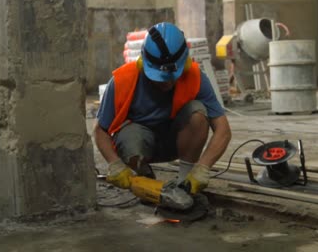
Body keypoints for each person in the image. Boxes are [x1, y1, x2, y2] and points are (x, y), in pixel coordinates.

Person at [94, 22, 231, 195]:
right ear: (143, 63)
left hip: (175, 143)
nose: (166, 82)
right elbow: (100, 131)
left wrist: (203, 168)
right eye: (159, 77)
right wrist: (114, 164)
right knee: (130, 136)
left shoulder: (195, 78)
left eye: (171, 77)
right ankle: (143, 176)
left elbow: (223, 130)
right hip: (139, 146)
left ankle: (185, 180)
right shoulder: (122, 80)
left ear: (185, 64)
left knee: (197, 113)